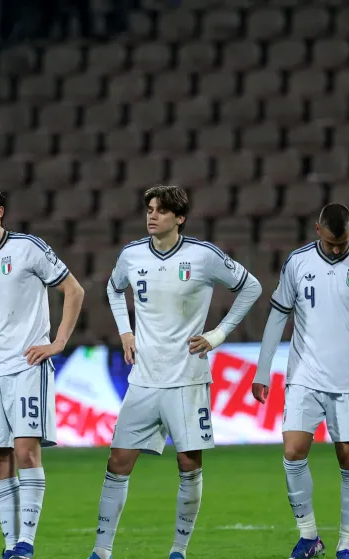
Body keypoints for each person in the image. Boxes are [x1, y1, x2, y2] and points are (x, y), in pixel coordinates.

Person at [86, 185, 262, 559]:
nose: (152, 215)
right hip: (145, 378)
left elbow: (252, 287)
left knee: (187, 462)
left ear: (179, 218)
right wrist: (125, 330)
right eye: (149, 208)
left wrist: (217, 334)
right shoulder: (132, 255)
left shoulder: (203, 256)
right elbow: (114, 288)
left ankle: (179, 550)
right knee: (118, 461)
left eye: (161, 210)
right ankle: (101, 551)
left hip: (188, 378)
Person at [0, 183, 85, 559]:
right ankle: (9, 545)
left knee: (26, 452)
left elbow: (74, 290)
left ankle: (26, 542)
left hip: (28, 366)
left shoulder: (28, 248)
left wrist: (58, 342)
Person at [251, 203, 349, 559]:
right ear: (317, 230)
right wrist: (263, 370)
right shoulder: (297, 263)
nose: (336, 249)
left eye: (342, 242)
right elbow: (276, 318)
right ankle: (309, 536)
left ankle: (345, 545)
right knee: (293, 451)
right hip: (304, 376)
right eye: (330, 243)